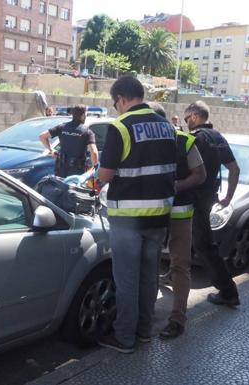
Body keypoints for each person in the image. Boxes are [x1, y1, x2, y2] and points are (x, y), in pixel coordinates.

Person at [97, 76, 177, 353]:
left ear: (121, 99)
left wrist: (95, 179)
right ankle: (144, 331)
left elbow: (105, 175)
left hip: (128, 220)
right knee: (148, 277)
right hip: (159, 217)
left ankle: (124, 338)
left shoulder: (120, 127)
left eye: (114, 103)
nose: (116, 108)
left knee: (127, 279)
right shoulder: (168, 126)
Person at [148, 103, 207, 339]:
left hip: (179, 214)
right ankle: (146, 313)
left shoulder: (185, 141)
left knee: (180, 265)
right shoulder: (146, 142)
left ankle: (178, 318)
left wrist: (177, 186)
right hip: (151, 213)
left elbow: (200, 174)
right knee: (150, 262)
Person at [184, 101, 241, 306]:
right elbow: (234, 169)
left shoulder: (195, 138)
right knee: (194, 241)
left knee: (203, 244)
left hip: (194, 198)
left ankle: (228, 291)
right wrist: (228, 197)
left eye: (186, 118)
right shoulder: (218, 137)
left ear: (194, 116)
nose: (186, 122)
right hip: (208, 197)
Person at [39, 105, 98, 178]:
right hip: (77, 171)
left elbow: (42, 136)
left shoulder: (62, 127)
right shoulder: (87, 132)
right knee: (72, 189)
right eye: (86, 114)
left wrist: (51, 151)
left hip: (60, 169)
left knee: (60, 187)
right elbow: (94, 152)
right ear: (83, 115)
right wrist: (95, 168)